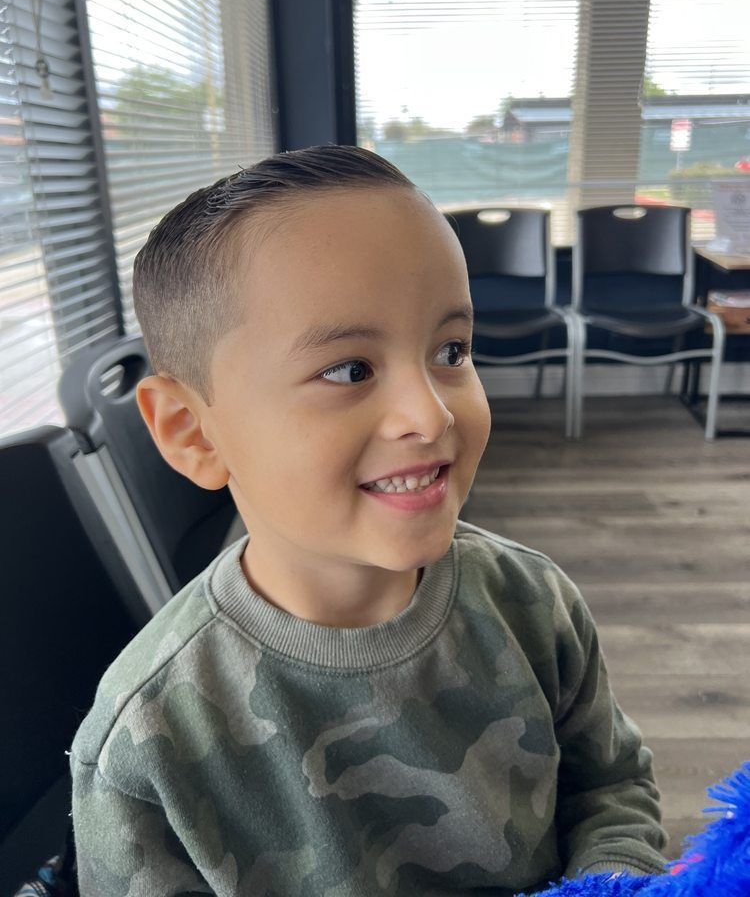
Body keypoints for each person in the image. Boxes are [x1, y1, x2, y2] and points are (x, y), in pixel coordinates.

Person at [69, 144, 667, 895]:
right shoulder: (145, 742)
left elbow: (612, 790)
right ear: (194, 432)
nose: (431, 411)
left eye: (451, 350)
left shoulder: (534, 604)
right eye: (349, 369)